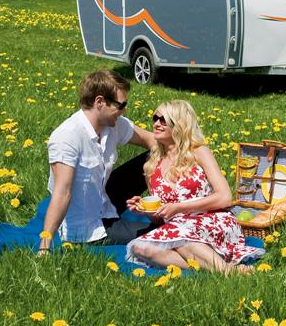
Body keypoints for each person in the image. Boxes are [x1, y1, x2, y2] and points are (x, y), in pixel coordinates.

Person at [125, 100, 264, 274]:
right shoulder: (152, 165)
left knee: (180, 234)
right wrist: (145, 211)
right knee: (140, 248)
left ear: (179, 124)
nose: (156, 124)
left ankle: (226, 271)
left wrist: (179, 208)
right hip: (176, 226)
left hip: (212, 221)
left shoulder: (198, 151)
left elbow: (224, 197)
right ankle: (219, 267)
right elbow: (160, 219)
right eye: (155, 118)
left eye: (163, 120)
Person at [37, 69, 155, 254]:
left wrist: (191, 151)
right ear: (99, 102)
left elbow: (151, 139)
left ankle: (177, 201)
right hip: (88, 225)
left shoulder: (112, 125)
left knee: (155, 156)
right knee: (158, 233)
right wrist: (45, 247)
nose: (124, 110)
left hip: (103, 195)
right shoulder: (67, 137)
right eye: (121, 105)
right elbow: (62, 193)